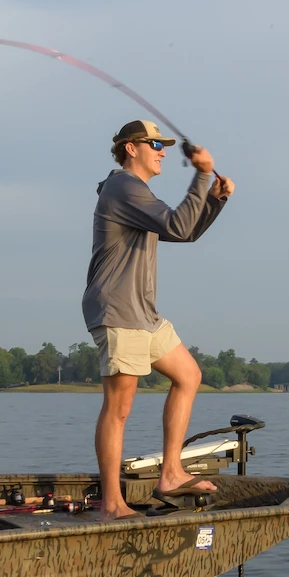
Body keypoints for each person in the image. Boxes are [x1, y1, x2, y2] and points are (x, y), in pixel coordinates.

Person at [82, 120, 235, 519]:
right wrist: (202, 174)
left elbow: (185, 233)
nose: (163, 151)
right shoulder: (122, 187)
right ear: (131, 149)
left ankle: (170, 473)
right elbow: (178, 223)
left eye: (164, 145)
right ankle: (112, 504)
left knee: (188, 375)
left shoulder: (138, 193)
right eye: (155, 144)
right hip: (118, 309)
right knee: (118, 407)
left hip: (143, 313)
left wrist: (214, 201)